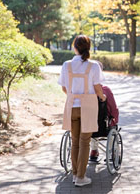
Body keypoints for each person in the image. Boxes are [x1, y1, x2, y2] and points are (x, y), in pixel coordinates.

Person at [58, 35, 106, 187]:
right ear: (88, 47)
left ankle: (74, 174)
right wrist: (102, 97)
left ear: (75, 47)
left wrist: (74, 96)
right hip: (89, 106)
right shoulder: (93, 66)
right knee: (85, 142)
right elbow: (98, 87)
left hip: (72, 105)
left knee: (75, 141)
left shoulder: (67, 65)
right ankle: (80, 177)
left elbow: (64, 88)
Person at [89, 62, 119, 161]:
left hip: (86, 125)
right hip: (102, 126)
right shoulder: (106, 91)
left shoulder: (83, 91)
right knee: (110, 125)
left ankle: (94, 150)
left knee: (91, 124)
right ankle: (111, 151)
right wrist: (115, 120)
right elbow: (114, 109)